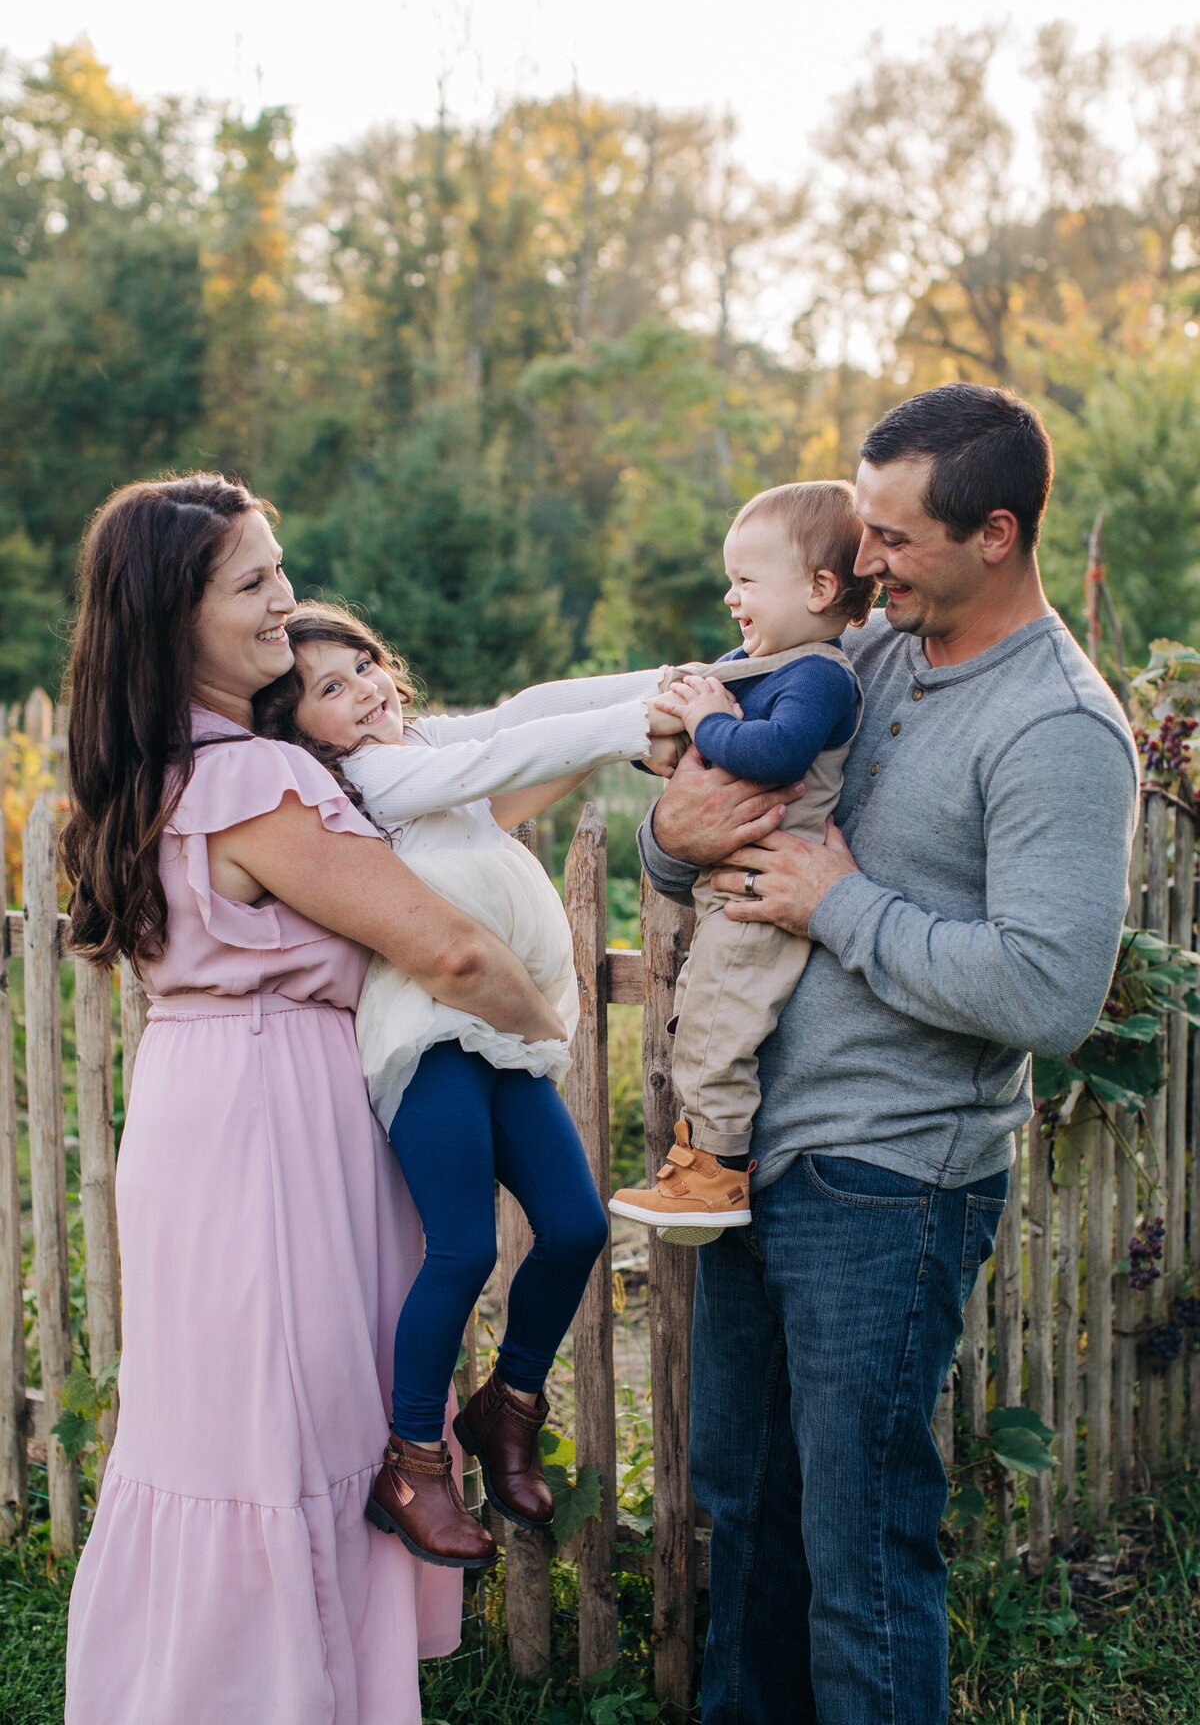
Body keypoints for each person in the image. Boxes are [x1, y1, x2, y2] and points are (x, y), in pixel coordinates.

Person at [637, 385, 1139, 1725]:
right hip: (751, 1163)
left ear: (996, 533)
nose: (863, 563)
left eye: (893, 540)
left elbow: (1046, 993)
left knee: (860, 1549)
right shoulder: (865, 661)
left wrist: (837, 903)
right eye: (860, 530)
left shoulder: (1059, 731)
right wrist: (674, 836)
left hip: (894, 1181)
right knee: (748, 1521)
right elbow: (701, 832)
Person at [62, 476, 569, 1725]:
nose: (286, 600)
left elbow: (449, 808)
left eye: (280, 568)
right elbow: (445, 949)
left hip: (200, 1097)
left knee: (223, 1429)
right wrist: (540, 1017)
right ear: (172, 618)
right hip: (272, 1129)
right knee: (284, 1424)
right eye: (252, 583)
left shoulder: (178, 768)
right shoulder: (247, 782)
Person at [255, 601, 683, 1566]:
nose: (364, 691)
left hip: (500, 1038)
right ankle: (413, 1462)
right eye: (330, 689)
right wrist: (635, 730)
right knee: (461, 1249)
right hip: (427, 1035)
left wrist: (670, 685)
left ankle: (509, 1406)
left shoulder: (417, 737)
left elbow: (524, 714)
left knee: (576, 1226)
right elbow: (489, 764)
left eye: (363, 665)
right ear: (300, 730)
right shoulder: (370, 779)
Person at [608, 481, 876, 1242]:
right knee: (701, 1021)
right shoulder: (758, 661)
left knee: (717, 1035)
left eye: (747, 580)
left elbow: (774, 752)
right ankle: (704, 1172)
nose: (730, 596)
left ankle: (714, 1179)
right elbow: (701, 719)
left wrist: (706, 719)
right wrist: (669, 727)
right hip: (732, 889)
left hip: (770, 896)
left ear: (821, 588)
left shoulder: (819, 672)